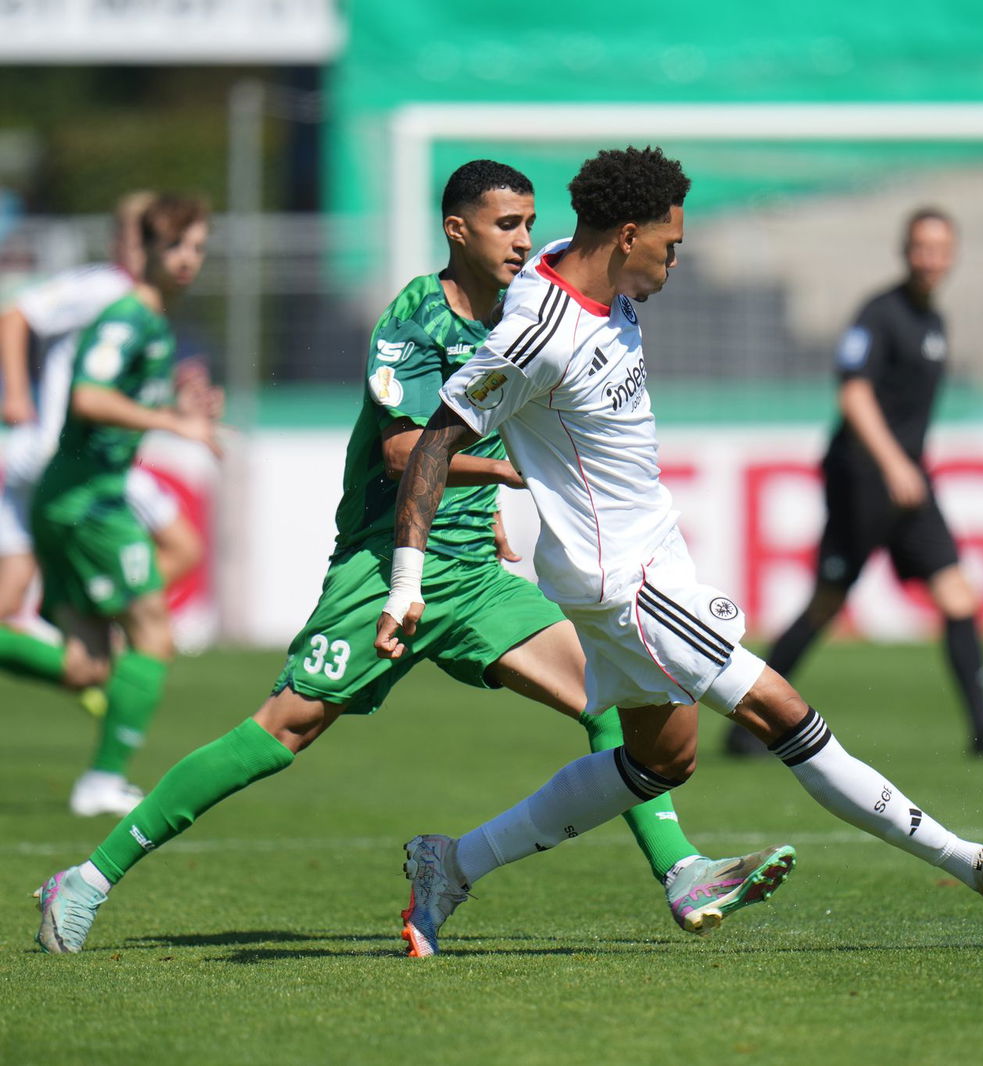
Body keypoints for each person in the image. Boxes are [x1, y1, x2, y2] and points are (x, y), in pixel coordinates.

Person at [32, 161, 791, 956]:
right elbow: (406, 452)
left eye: (529, 222)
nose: (523, 239)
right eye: (506, 224)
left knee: (607, 696)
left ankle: (679, 872)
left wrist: (492, 508)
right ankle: (87, 877)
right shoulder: (413, 318)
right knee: (282, 731)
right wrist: (512, 475)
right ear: (457, 229)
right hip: (382, 563)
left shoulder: (532, 302)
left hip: (471, 575)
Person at [373, 147, 983, 956]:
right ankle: (975, 863)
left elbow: (553, 272)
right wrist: (405, 580)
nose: (675, 258)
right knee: (786, 715)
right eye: (671, 243)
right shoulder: (538, 331)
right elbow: (434, 441)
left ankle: (451, 864)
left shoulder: (575, 267)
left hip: (651, 561)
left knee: (662, 761)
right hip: (625, 582)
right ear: (627, 236)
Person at [725, 209, 983, 758]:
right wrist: (895, 463)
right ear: (906, 251)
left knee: (957, 593)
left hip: (907, 482)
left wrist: (907, 468)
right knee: (826, 604)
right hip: (864, 480)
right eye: (921, 246)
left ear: (952, 255)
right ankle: (745, 724)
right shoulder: (880, 315)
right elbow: (854, 393)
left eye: (940, 248)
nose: (930, 257)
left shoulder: (935, 322)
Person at [8, 196, 222, 822]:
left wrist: (185, 407)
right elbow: (89, 396)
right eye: (175, 248)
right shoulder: (127, 316)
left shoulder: (152, 321)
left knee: (87, 664)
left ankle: (101, 777)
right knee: (153, 631)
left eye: (198, 249)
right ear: (146, 250)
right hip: (88, 500)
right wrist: (170, 423)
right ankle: (102, 780)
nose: (187, 261)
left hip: (83, 494)